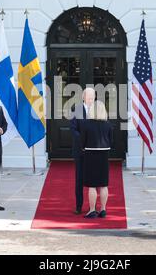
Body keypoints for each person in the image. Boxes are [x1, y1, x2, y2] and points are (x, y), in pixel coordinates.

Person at [80, 100, 113, 218]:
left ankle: (92, 210)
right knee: (104, 185)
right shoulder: (108, 124)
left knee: (92, 185)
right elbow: (111, 141)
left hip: (90, 155)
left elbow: (82, 142)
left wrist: (84, 148)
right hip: (104, 155)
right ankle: (103, 209)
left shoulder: (85, 124)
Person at [70, 87, 95, 215]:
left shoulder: (98, 109)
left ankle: (93, 207)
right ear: (84, 97)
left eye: (93, 98)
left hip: (94, 150)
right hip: (80, 150)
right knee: (79, 179)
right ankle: (79, 206)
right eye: (89, 98)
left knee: (94, 179)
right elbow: (73, 129)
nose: (91, 100)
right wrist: (83, 141)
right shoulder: (77, 109)